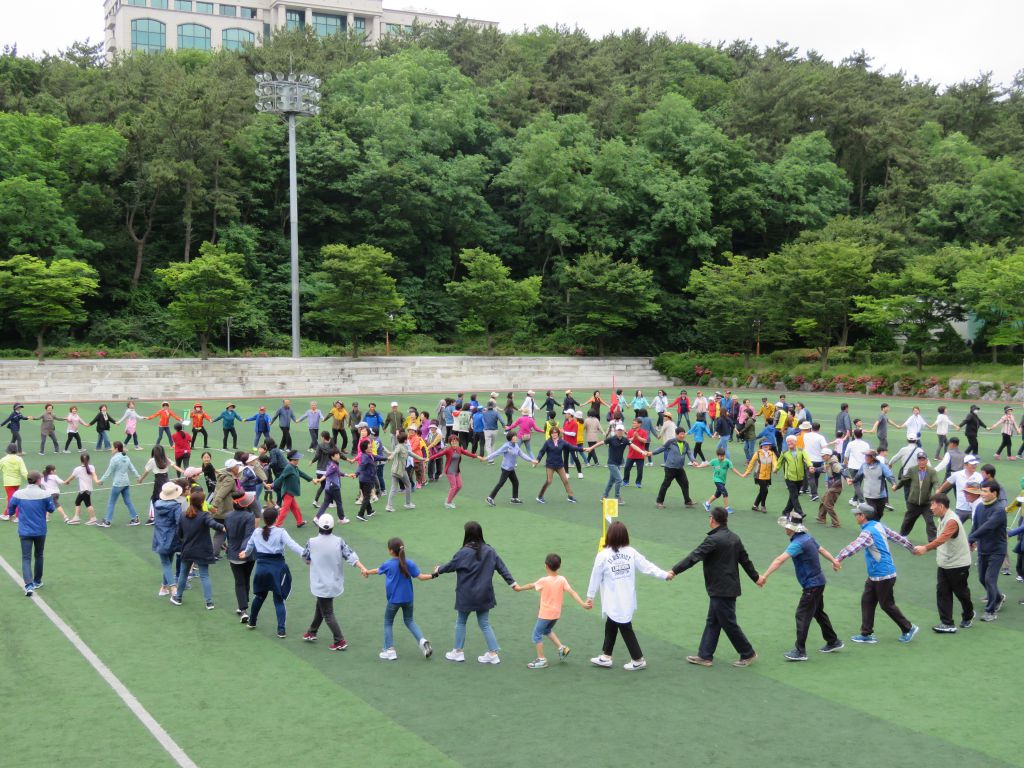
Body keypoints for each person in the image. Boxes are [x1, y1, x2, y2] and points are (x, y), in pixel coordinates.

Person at [670, 507, 760, 667]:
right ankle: (705, 656)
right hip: (727, 587)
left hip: (720, 589)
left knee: (728, 623)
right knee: (713, 621)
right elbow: (745, 560)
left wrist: (674, 570)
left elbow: (694, 556)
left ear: (712, 519)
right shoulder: (734, 538)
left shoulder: (713, 540)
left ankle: (748, 653)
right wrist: (756, 578)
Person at [585, 521, 671, 671]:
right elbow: (647, 566)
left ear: (609, 536)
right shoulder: (631, 552)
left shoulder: (603, 555)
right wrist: (664, 574)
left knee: (624, 627)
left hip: (614, 600)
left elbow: (595, 577)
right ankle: (606, 656)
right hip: (626, 599)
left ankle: (638, 659)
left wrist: (590, 596)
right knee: (612, 623)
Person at [432, 521, 519, 665]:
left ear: (467, 534)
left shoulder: (463, 552)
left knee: (461, 622)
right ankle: (493, 653)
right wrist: (513, 583)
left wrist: (438, 570)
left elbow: (451, 565)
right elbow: (502, 568)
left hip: (466, 595)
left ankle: (458, 652)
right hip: (485, 594)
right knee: (484, 623)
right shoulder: (490, 551)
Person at [756, 518, 843, 661]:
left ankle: (800, 651)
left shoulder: (798, 543)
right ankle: (833, 641)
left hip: (812, 586)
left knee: (802, 615)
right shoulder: (808, 538)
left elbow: (780, 560)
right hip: (819, 582)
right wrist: (834, 561)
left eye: (786, 526)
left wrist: (764, 576)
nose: (785, 528)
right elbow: (821, 550)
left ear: (792, 529)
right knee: (818, 612)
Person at [835, 503, 918, 644]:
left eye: (857, 514)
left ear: (863, 516)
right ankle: (866, 633)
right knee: (867, 600)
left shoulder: (868, 532)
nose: (855, 516)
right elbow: (897, 537)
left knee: (886, 604)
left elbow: (855, 546)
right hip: (877, 574)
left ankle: (908, 628)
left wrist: (838, 558)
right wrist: (912, 548)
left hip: (883, 574)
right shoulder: (878, 525)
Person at [300, 513, 367, 651]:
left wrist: (311, 561)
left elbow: (305, 558)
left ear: (318, 526)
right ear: (332, 527)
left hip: (320, 583)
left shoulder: (311, 542)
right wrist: (362, 567)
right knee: (321, 605)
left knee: (327, 612)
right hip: (333, 582)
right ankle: (312, 632)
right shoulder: (339, 541)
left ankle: (339, 640)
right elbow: (351, 556)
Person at [912, 494, 975, 633]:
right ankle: (947, 623)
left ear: (941, 506)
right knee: (942, 592)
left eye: (932, 505)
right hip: (945, 563)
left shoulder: (951, 521)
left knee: (961, 592)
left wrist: (925, 548)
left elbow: (942, 538)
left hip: (958, 564)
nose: (930, 508)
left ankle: (969, 614)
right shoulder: (943, 517)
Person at [363, 537, 434, 660]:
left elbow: (377, 570)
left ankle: (390, 650)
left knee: (388, 622)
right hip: (408, 599)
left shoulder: (388, 564)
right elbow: (421, 577)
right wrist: (434, 574)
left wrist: (367, 572)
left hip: (394, 601)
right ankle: (422, 640)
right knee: (409, 621)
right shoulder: (409, 563)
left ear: (391, 551)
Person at [240, 506, 306, 637]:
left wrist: (244, 553)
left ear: (264, 519)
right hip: (277, 569)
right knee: (279, 600)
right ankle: (281, 630)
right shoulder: (281, 532)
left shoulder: (257, 532)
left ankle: (252, 621)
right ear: (276, 519)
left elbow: (249, 547)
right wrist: (306, 554)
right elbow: (292, 545)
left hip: (261, 569)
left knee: (259, 597)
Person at [520, 553, 589, 669]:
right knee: (547, 630)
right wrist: (582, 603)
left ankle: (541, 660)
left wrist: (519, 588)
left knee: (536, 635)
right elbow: (572, 592)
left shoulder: (544, 580)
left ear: (546, 566)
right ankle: (562, 648)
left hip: (545, 614)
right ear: (559, 566)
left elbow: (531, 585)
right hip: (556, 614)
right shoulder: (562, 579)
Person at [170, 490, 225, 610]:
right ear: (201, 502)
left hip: (188, 549)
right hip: (203, 551)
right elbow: (213, 524)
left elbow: (179, 533)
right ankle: (209, 603)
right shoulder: (204, 515)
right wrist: (223, 527)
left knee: (183, 573)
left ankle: (178, 597)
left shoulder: (183, 514)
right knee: (204, 575)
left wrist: (185, 541)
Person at [967, 479, 1008, 621]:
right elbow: (976, 526)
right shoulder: (979, 508)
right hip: (983, 549)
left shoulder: (999, 510)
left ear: (994, 493)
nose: (982, 494)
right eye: (981, 491)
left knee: (990, 579)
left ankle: (990, 611)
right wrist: (970, 540)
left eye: (985, 491)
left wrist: (970, 539)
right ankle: (998, 596)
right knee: (981, 578)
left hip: (997, 550)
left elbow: (987, 527)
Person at [8, 471, 54, 595]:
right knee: (39, 555)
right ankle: (37, 581)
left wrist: (13, 515)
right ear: (38, 480)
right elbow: (51, 509)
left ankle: (29, 585)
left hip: (25, 531)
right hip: (40, 530)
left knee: (26, 557)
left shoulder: (18, 493)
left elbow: (10, 508)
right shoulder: (44, 494)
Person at [225, 490, 257, 621]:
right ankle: (243, 607)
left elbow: (229, 534)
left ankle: (242, 607)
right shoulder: (249, 516)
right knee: (245, 579)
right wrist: (244, 551)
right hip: (248, 554)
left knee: (239, 582)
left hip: (233, 554)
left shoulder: (228, 516)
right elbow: (249, 535)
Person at [893, 451, 939, 541]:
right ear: (917, 461)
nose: (921, 462)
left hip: (926, 503)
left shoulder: (931, 471)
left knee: (930, 522)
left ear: (926, 460)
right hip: (913, 502)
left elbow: (935, 482)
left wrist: (936, 490)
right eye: (919, 460)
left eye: (923, 460)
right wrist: (896, 487)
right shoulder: (912, 470)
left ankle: (933, 540)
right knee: (908, 520)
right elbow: (904, 480)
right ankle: (902, 536)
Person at [647, 427, 696, 509]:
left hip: (680, 468)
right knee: (666, 484)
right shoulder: (670, 442)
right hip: (670, 468)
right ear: (676, 434)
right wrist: (652, 453)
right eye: (681, 434)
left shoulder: (685, 444)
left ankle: (687, 501)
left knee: (685, 484)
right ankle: (659, 502)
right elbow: (662, 448)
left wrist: (693, 460)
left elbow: (689, 453)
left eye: (684, 434)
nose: (683, 435)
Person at [533, 427, 584, 504]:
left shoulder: (562, 442)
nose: (554, 434)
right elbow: (542, 452)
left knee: (565, 480)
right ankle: (540, 496)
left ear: (558, 433)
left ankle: (570, 496)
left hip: (560, 465)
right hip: (550, 465)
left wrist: (583, 449)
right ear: (550, 434)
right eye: (553, 433)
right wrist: (538, 459)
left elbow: (572, 447)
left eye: (556, 432)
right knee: (549, 481)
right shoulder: (547, 442)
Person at [98, 441, 140, 527]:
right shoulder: (126, 457)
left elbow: (108, 471)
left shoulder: (114, 459)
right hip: (126, 483)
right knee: (128, 501)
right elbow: (132, 468)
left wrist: (101, 480)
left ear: (116, 449)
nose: (111, 449)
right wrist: (138, 477)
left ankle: (107, 521)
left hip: (117, 484)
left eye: (112, 448)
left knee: (111, 502)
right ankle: (135, 518)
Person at [152, 482, 183, 597]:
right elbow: (179, 522)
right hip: (172, 537)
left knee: (167, 562)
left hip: (160, 536)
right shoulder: (175, 506)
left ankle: (164, 587)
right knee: (168, 562)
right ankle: (173, 587)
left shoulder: (156, 504)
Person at [382, 432, 426, 511]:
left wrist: (422, 459)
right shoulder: (400, 447)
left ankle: (389, 506)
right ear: (405, 440)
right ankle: (408, 503)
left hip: (394, 471)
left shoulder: (401, 447)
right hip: (400, 471)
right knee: (408, 485)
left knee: (393, 488)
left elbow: (411, 454)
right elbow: (395, 453)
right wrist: (390, 456)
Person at [485, 431, 529, 506]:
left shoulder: (516, 445)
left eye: (515, 435)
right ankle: (490, 498)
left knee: (515, 482)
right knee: (501, 483)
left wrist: (531, 460)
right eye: (514, 436)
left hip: (511, 468)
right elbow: (497, 453)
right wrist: (486, 458)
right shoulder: (506, 446)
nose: (516, 437)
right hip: (505, 468)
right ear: (510, 438)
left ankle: (514, 499)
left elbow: (522, 454)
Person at [850, 449, 895, 520]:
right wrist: (853, 480)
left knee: (879, 514)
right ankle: (872, 529)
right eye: (865, 456)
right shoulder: (864, 466)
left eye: (867, 456)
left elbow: (889, 475)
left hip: (880, 495)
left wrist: (893, 484)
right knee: (873, 513)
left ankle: (875, 527)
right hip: (869, 495)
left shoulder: (881, 466)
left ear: (873, 457)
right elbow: (858, 475)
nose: (865, 458)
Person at [270, 450, 312, 528]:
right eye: (297, 459)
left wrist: (312, 479)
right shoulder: (289, 467)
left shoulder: (294, 467)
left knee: (295, 508)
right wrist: (273, 485)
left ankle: (299, 522)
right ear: (293, 459)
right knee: (285, 509)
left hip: (290, 492)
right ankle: (277, 525)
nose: (299, 460)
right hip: (287, 492)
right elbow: (281, 477)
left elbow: (301, 473)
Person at [776, 435, 812, 521]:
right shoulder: (784, 452)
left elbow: (807, 459)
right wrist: (776, 469)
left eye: (791, 441)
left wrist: (810, 466)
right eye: (788, 441)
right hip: (789, 478)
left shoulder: (801, 450)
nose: (789, 443)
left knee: (793, 496)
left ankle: (785, 512)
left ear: (795, 442)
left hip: (800, 477)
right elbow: (779, 462)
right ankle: (799, 512)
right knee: (794, 495)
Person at [937, 454, 982, 523]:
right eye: (972, 464)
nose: (975, 466)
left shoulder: (979, 477)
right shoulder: (957, 474)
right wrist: (939, 491)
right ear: (965, 465)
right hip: (960, 508)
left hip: (975, 508)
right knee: (953, 528)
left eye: (975, 464)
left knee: (977, 528)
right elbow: (948, 482)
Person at [698, 448, 742, 515]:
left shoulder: (727, 461)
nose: (721, 457)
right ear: (717, 455)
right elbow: (707, 465)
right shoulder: (714, 461)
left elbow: (733, 469)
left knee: (717, 494)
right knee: (725, 492)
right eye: (720, 456)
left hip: (723, 481)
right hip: (717, 480)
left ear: (724, 455)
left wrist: (741, 475)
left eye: (723, 456)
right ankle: (727, 508)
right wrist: (698, 466)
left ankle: (707, 503)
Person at [64, 453, 100, 525]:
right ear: (88, 459)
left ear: (80, 460)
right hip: (88, 489)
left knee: (87, 503)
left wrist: (66, 482)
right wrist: (96, 481)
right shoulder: (91, 467)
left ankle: (92, 519)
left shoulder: (78, 469)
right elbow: (94, 475)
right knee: (78, 502)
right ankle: (76, 518)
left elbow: (72, 477)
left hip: (84, 489)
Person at [742, 440, 778, 513]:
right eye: (764, 445)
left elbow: (775, 462)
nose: (766, 446)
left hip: (767, 476)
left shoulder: (772, 453)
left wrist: (775, 468)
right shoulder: (757, 453)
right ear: (761, 446)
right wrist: (747, 472)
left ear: (769, 447)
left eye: (767, 445)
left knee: (762, 491)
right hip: (759, 475)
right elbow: (751, 463)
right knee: (765, 490)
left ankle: (755, 505)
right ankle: (763, 506)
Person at [814, 447, 845, 527]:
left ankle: (836, 523)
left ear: (828, 455)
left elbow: (842, 471)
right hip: (833, 484)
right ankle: (821, 518)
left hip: (836, 485)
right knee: (824, 500)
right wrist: (815, 469)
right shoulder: (828, 462)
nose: (822, 457)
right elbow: (823, 469)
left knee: (828, 504)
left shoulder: (834, 463)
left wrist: (847, 478)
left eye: (823, 456)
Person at [0, 442, 28, 518]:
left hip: (8, 483)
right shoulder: (19, 459)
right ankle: (6, 513)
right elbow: (24, 471)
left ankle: (16, 515)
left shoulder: (3, 459)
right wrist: (30, 480)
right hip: (17, 482)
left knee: (12, 499)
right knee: (12, 498)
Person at [621, 418, 648, 488]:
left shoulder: (643, 432)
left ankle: (638, 483)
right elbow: (627, 441)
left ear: (639, 424)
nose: (633, 424)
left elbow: (645, 441)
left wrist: (638, 436)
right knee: (626, 468)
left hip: (640, 455)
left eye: (635, 423)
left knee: (640, 470)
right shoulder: (630, 432)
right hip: (631, 454)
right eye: (633, 423)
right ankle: (625, 481)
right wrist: (633, 437)